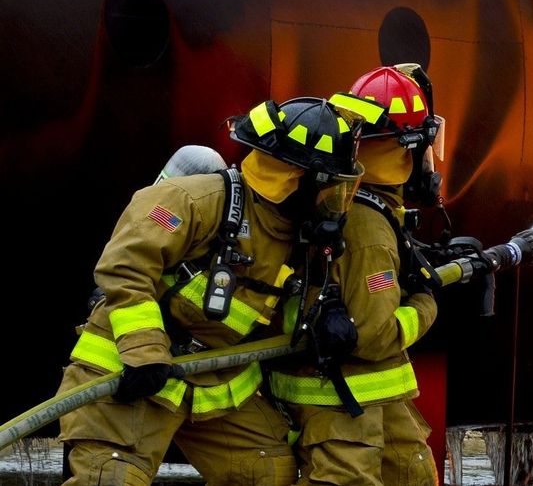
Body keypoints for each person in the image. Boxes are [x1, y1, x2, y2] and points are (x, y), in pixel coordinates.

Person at [57, 97, 364, 485]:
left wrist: (324, 314)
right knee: (112, 477)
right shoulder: (195, 201)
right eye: (332, 187)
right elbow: (125, 266)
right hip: (132, 370)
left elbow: (280, 307)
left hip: (214, 382)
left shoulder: (298, 235)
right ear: (296, 178)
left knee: (267, 473)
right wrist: (145, 352)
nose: (336, 202)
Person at [267, 64, 445, 486]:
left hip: (369, 394)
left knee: (413, 475)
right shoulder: (368, 228)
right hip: (341, 400)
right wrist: (425, 303)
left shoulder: (355, 198)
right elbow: (375, 335)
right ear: (410, 146)